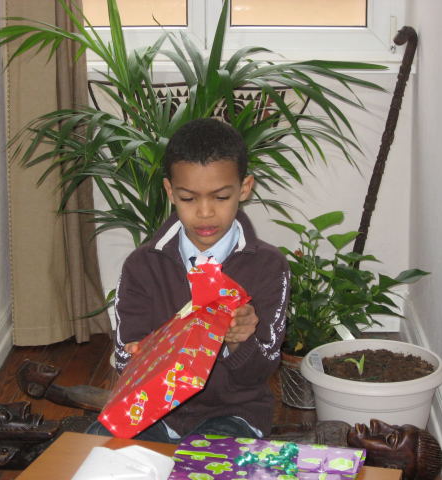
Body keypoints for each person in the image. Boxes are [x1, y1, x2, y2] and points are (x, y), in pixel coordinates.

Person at [86, 117, 290, 443]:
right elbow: (125, 359)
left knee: (206, 461)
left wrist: (239, 341)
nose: (205, 212)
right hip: (151, 408)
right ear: (170, 191)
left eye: (221, 197)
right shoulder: (142, 266)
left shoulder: (268, 266)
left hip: (234, 412)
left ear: (244, 188)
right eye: (188, 198)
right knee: (97, 448)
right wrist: (144, 356)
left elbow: (259, 373)